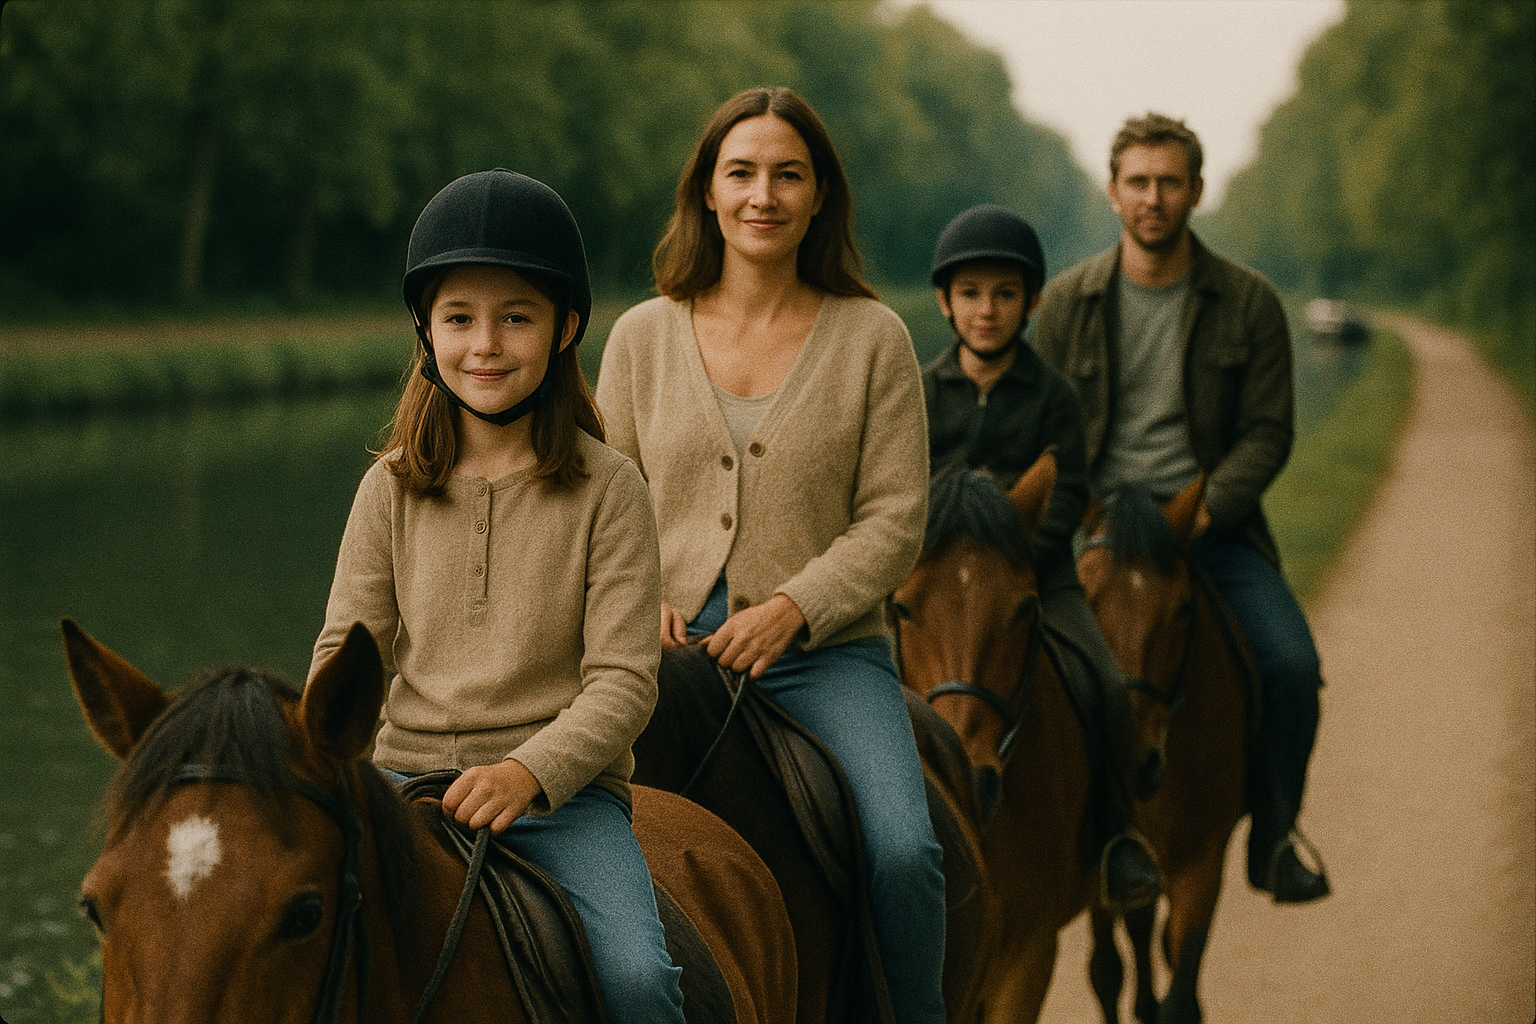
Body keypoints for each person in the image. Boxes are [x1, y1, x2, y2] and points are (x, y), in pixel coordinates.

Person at [596, 86, 945, 1023]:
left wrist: (795, 608)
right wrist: (638, 604)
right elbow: (604, 500)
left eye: (788, 174)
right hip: (653, 651)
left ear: (820, 196)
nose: (763, 194)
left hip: (824, 657)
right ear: (705, 193)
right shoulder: (639, 337)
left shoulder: (876, 339)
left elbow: (894, 519)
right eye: (740, 173)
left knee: (907, 852)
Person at [309, 169, 686, 1021]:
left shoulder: (609, 488)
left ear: (566, 329)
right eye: (459, 318)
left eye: (516, 317)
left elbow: (626, 684)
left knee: (641, 982)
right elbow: (343, 658)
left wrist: (528, 772)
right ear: (424, 330)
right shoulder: (390, 490)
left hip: (561, 798)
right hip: (401, 780)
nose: (485, 344)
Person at [1032, 113, 1331, 904]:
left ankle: (1272, 838)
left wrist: (1210, 509)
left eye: (1169, 182)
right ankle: (1042, 842)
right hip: (1099, 531)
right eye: (1138, 182)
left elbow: (1268, 432)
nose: (1153, 198)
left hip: (1208, 529)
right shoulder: (1066, 305)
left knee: (1294, 668)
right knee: (1012, 664)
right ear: (1113, 191)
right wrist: (1080, 515)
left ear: (1196, 191)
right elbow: (1044, 427)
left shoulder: (1250, 304)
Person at [922, 204, 1162, 912]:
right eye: (970, 294)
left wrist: (1020, 555)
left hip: (1037, 576)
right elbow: (897, 488)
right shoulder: (920, 392)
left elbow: (1072, 488)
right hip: (933, 581)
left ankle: (1117, 836)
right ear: (945, 302)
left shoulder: (1054, 394)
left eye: (1004, 295)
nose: (986, 311)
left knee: (1105, 685)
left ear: (1031, 303)